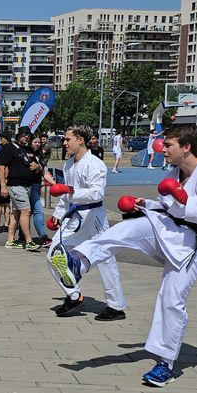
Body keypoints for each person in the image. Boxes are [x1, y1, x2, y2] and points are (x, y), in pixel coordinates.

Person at [53, 125, 197, 387]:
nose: (162, 150)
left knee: (171, 301)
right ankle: (79, 263)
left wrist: (185, 200)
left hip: (193, 244)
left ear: (186, 147)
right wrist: (145, 204)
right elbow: (167, 207)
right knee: (127, 228)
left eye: (168, 145)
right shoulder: (176, 172)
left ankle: (165, 364)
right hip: (169, 229)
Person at [43, 125, 126, 320]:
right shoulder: (69, 164)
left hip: (94, 216)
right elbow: (65, 194)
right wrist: (58, 214)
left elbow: (97, 193)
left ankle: (115, 306)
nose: (64, 143)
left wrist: (69, 191)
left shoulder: (95, 164)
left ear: (81, 140)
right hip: (74, 217)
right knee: (54, 253)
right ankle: (74, 295)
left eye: (67, 139)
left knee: (106, 259)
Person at [0, 131, 42, 251]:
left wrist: (37, 167)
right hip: (16, 185)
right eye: (23, 135)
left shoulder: (29, 150)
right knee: (26, 211)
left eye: (28, 135)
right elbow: (1, 167)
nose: (26, 137)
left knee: (17, 213)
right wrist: (3, 186)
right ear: (18, 136)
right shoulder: (10, 149)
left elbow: (38, 167)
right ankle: (28, 241)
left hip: (27, 185)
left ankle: (10, 240)